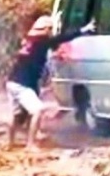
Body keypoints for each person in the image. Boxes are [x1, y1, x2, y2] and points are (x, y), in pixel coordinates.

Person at [6, 15, 96, 149]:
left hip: (12, 82)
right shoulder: (42, 41)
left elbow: (35, 57)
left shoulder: (29, 40)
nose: (52, 31)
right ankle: (31, 144)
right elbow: (62, 38)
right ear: (46, 29)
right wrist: (84, 30)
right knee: (37, 110)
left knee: (17, 115)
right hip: (22, 84)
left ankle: (10, 143)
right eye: (51, 28)